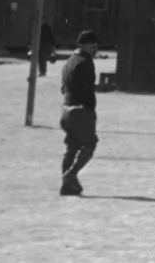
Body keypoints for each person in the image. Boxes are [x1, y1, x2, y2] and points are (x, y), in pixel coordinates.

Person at [58, 31, 101, 196]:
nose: (95, 48)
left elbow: (64, 88)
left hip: (66, 110)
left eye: (97, 45)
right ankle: (71, 174)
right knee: (90, 144)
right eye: (92, 45)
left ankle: (67, 186)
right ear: (82, 45)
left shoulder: (69, 61)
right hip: (80, 110)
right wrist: (90, 111)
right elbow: (86, 90)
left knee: (71, 147)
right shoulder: (85, 62)